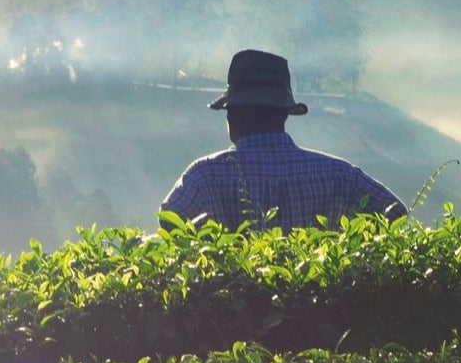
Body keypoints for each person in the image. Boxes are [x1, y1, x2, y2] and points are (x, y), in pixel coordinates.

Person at [160, 49, 406, 232]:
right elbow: (396, 213)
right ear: (284, 113)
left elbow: (169, 223)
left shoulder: (205, 175)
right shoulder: (339, 175)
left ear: (235, 114)